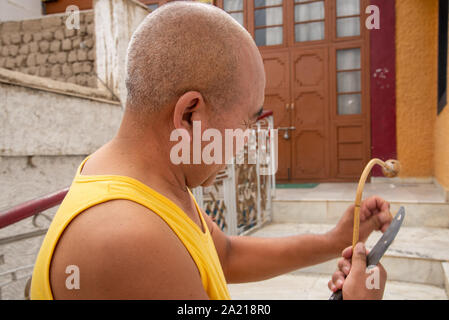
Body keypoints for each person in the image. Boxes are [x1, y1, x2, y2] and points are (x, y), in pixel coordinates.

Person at [30, 2, 391, 300]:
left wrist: (337, 241)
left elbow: (226, 256)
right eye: (247, 123)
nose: (247, 140)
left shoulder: (153, 181)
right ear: (190, 114)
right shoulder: (129, 239)